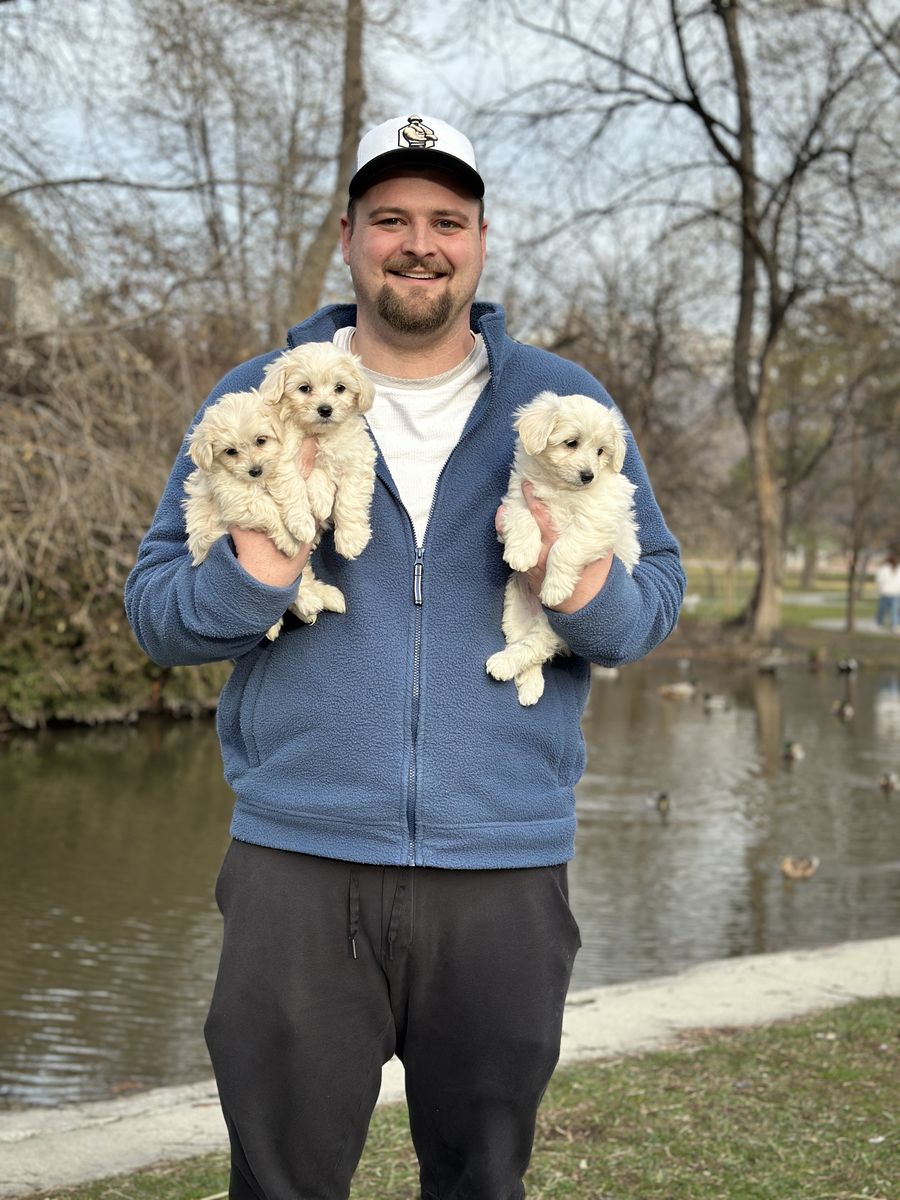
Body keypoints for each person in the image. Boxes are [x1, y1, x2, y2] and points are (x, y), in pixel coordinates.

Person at [125, 114, 685, 1200]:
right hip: (297, 864)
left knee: (481, 1181)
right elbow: (155, 614)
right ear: (348, 237)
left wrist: (574, 586)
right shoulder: (263, 396)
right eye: (389, 218)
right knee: (281, 1184)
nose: (418, 243)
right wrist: (253, 574)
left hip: (504, 871)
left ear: (480, 240)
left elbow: (651, 605)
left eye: (446, 220)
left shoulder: (561, 403)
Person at [875, 552, 900, 634]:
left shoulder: (884, 569)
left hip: (888, 592)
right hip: (892, 593)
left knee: (883, 610)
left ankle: (880, 624)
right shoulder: (886, 569)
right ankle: (894, 626)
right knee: (893, 610)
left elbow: (878, 580)